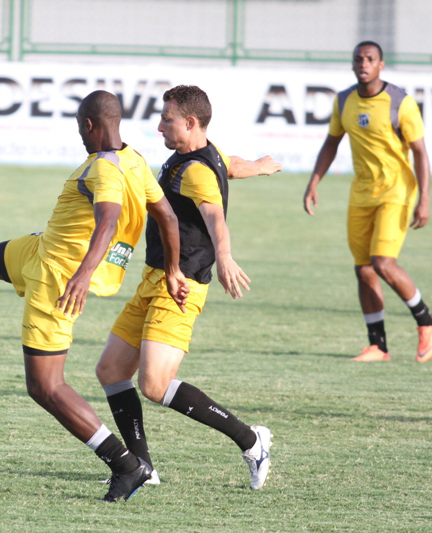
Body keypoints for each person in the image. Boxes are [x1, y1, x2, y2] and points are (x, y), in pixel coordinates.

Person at [0, 90, 189, 502]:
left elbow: (108, 221)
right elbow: (167, 217)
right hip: (44, 248)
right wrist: (172, 270)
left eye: (79, 128)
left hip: (58, 278)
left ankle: (125, 465)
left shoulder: (103, 169)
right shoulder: (134, 159)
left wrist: (82, 277)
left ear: (88, 125)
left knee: (45, 386)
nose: (80, 136)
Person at [95, 85, 282, 491]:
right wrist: (258, 165)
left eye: (167, 118)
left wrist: (226, 256)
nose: (159, 125)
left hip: (181, 287)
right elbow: (226, 164)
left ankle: (252, 441)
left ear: (190, 122)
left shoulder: (195, 170)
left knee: (155, 384)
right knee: (110, 370)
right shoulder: (198, 155)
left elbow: (215, 217)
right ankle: (142, 467)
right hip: (155, 278)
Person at [303, 40, 432, 363]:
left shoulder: (400, 103)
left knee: (382, 263)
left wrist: (425, 199)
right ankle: (378, 346)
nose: (363, 64)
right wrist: (313, 182)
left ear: (381, 65)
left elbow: (420, 152)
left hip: (396, 192)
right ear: (353, 65)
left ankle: (427, 321)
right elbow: (331, 143)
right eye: (358, 59)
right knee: (364, 270)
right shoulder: (344, 101)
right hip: (361, 193)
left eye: (370, 59)